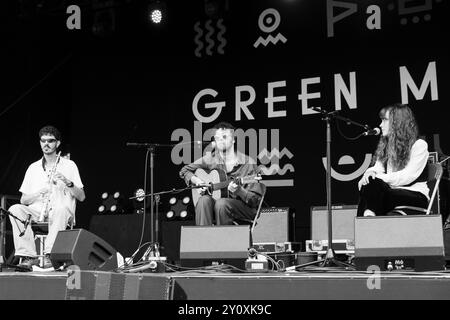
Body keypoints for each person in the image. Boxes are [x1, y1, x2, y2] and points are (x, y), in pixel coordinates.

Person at [8, 125, 85, 269]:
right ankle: (28, 256)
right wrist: (39, 193)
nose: (46, 144)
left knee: (60, 208)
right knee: (15, 209)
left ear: (58, 143)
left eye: (50, 141)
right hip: (38, 212)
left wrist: (68, 182)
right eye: (43, 141)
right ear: (40, 143)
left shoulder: (69, 165)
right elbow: (23, 200)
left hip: (60, 213)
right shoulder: (33, 167)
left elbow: (81, 197)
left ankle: (51, 254)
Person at [179, 122, 264, 225]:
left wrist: (240, 191)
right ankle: (203, 238)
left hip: (244, 208)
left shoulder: (248, 162)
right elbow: (184, 171)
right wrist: (197, 181)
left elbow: (255, 201)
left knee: (222, 203)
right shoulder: (211, 158)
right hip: (217, 207)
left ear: (233, 140)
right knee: (203, 200)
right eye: (217, 138)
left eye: (224, 137)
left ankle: (222, 240)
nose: (220, 140)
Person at [357, 103, 429, 217]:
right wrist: (370, 173)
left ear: (398, 123)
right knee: (371, 185)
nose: (380, 125)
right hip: (392, 191)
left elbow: (407, 177)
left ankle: (366, 222)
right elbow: (377, 168)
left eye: (385, 120)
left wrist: (378, 177)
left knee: (374, 193)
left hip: (415, 194)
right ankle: (368, 217)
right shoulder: (387, 146)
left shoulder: (419, 145)